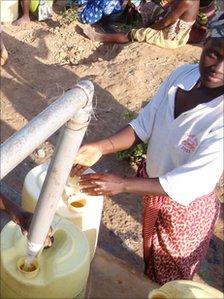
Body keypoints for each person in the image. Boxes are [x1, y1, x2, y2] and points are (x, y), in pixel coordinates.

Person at [71, 13, 224, 284]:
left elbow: (193, 181)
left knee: (173, 274)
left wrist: (123, 184)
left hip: (185, 209)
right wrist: (101, 147)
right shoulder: (182, 76)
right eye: (214, 54)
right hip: (153, 186)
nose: (218, 68)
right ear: (204, 44)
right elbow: (145, 125)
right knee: (152, 251)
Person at [81, 0, 199, 49]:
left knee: (132, 34)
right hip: (173, 29)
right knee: (150, 7)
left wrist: (149, 29)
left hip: (170, 37)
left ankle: (98, 37)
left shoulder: (187, 1)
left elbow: (167, 22)